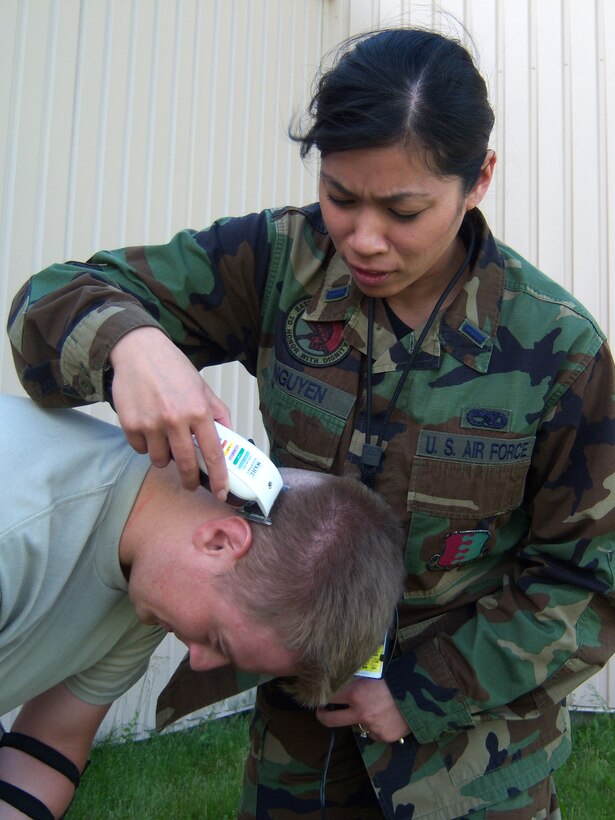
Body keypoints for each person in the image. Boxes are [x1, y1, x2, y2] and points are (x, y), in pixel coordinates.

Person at [6, 22, 615, 820]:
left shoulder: (555, 349)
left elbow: (589, 582)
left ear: (478, 181)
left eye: (403, 210)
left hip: (470, 760)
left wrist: (421, 691)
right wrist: (130, 342)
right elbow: (48, 303)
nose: (363, 240)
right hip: (300, 747)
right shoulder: (277, 263)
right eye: (339, 197)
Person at [0, 394, 404, 820]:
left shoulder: (147, 592)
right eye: (217, 640)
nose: (198, 660)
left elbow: (49, 745)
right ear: (220, 542)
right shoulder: (18, 526)